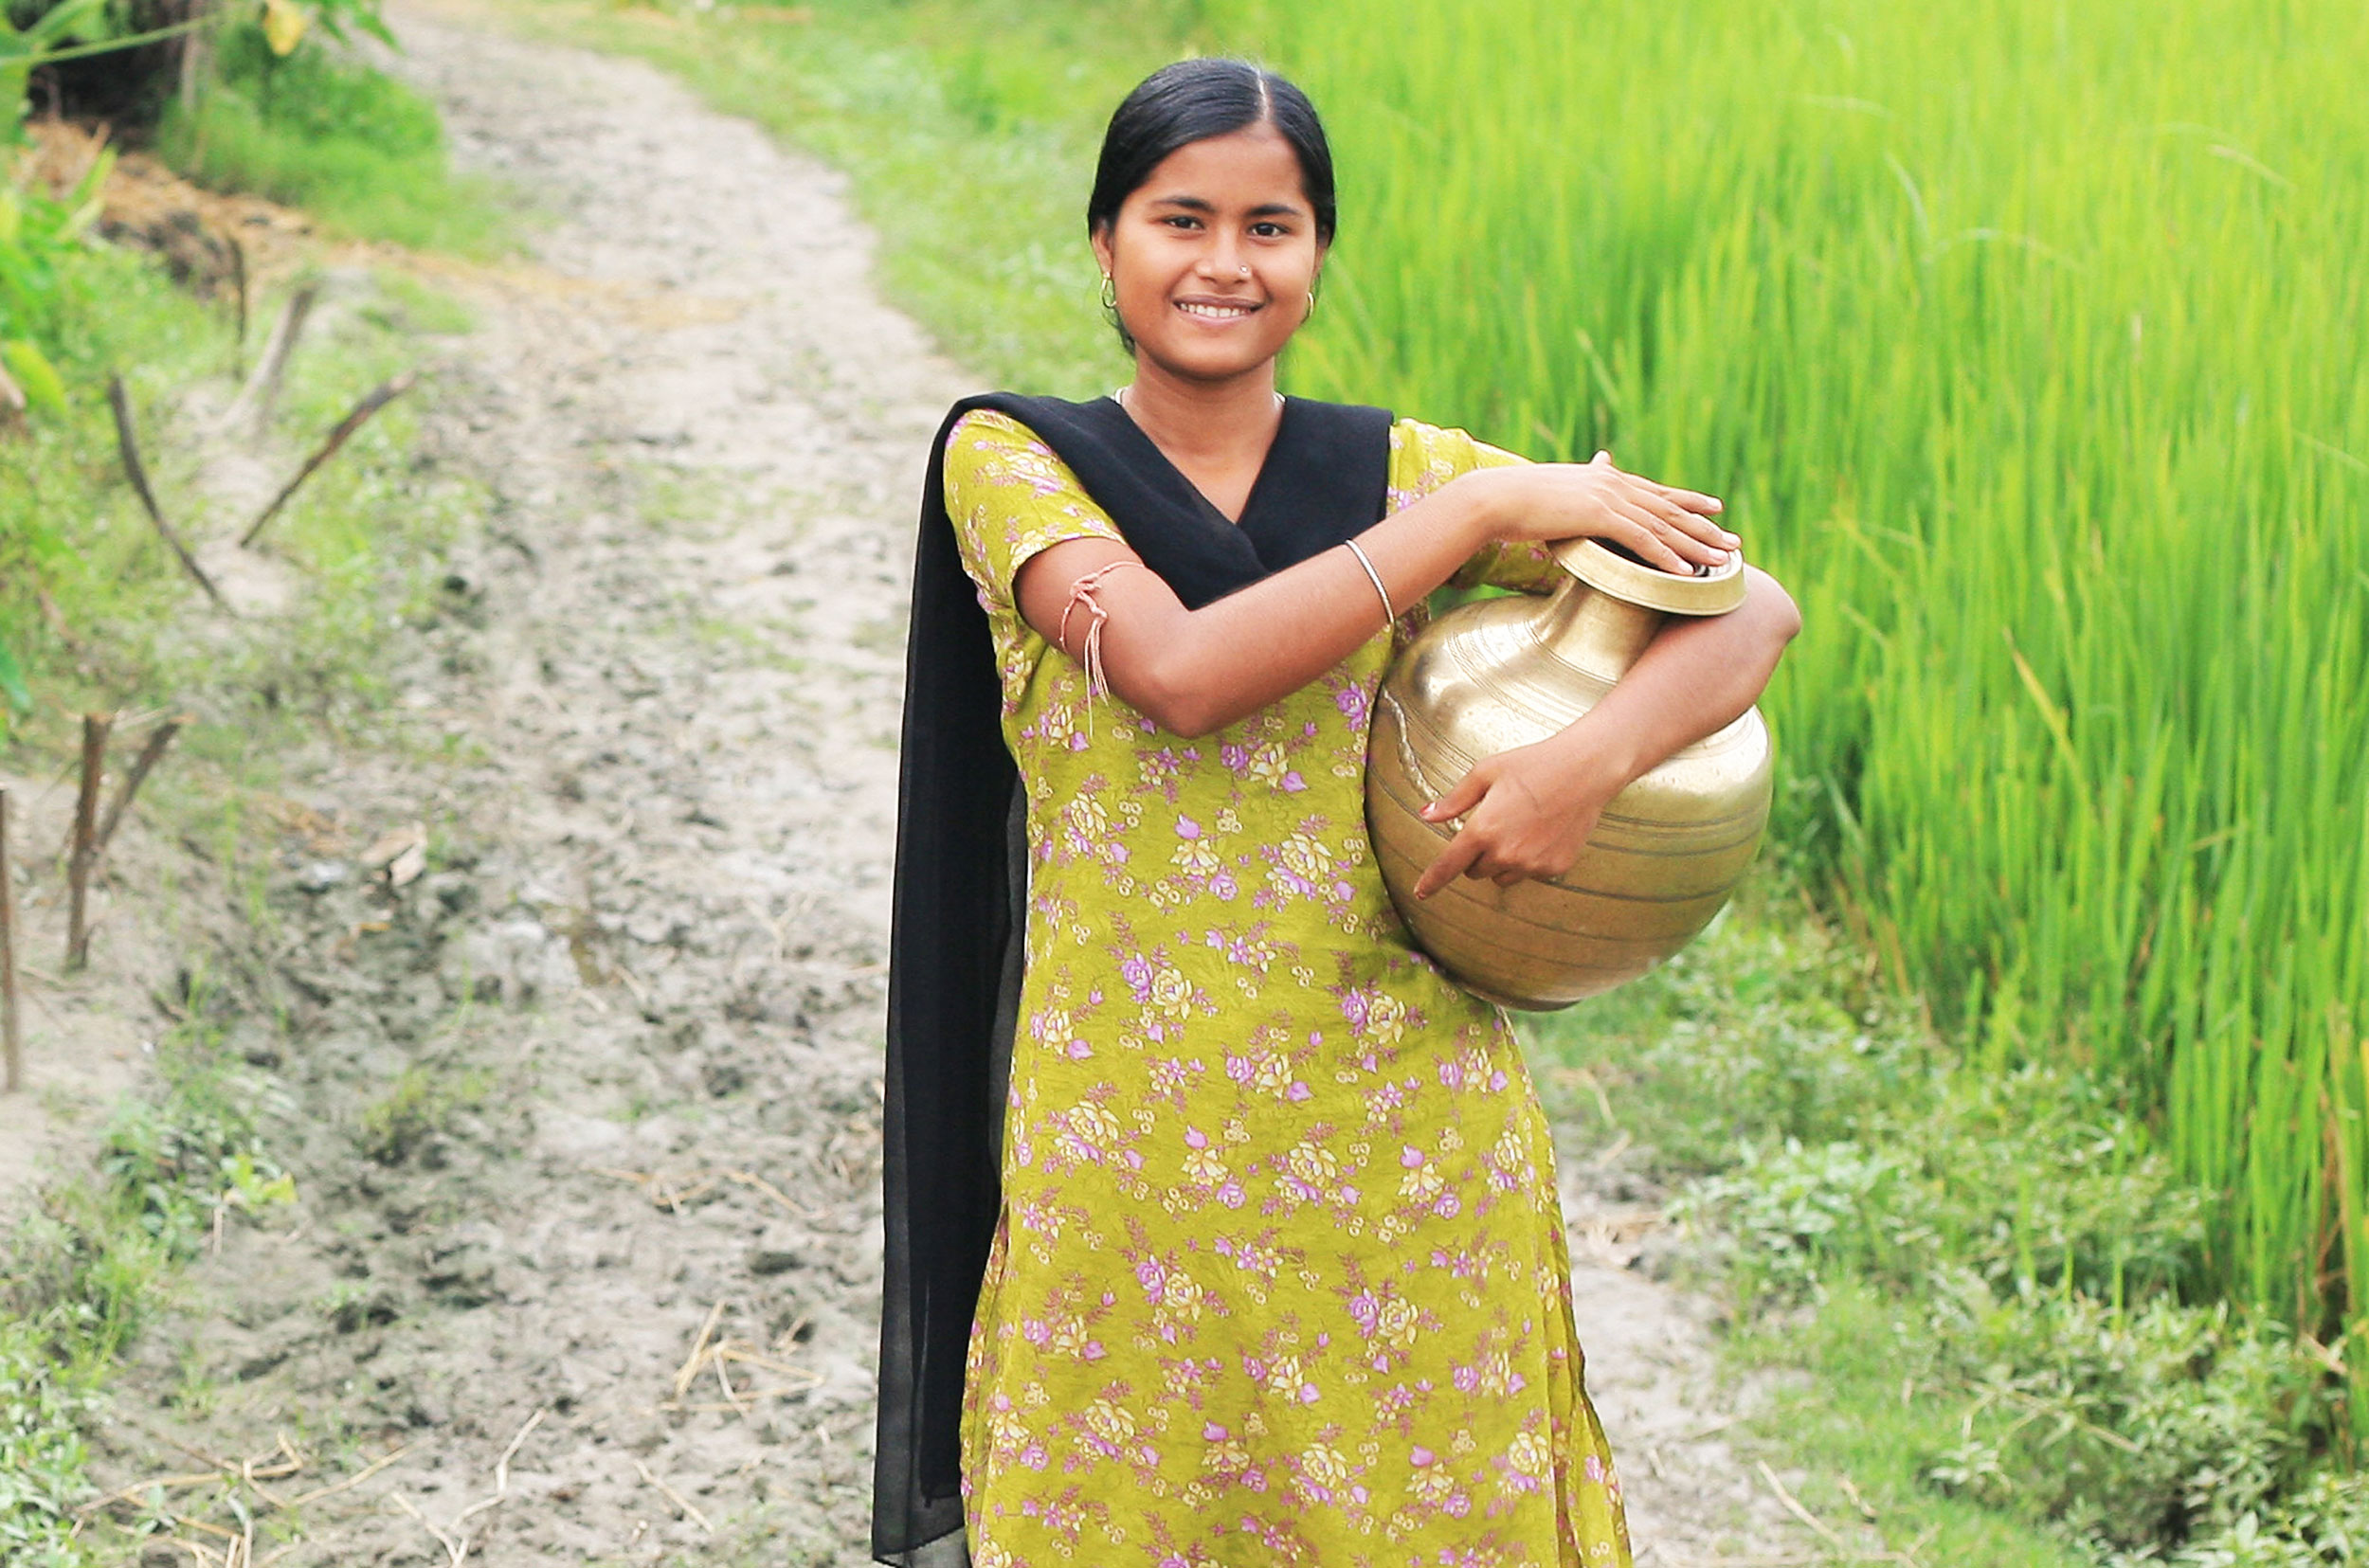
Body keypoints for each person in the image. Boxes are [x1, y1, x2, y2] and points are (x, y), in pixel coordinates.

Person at [876, 57, 1799, 1568]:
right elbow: (1176, 672)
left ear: (1316, 255)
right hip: (1136, 1148)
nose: (1225, 265)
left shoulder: (1402, 471)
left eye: (1272, 226)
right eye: (1182, 219)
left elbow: (1749, 607)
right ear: (1104, 241)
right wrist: (1478, 518)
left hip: (1411, 1145)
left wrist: (1582, 765)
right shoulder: (1023, 460)